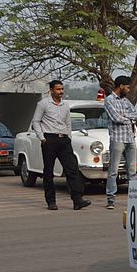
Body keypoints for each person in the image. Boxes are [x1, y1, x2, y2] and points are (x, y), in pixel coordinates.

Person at [31, 80, 90, 210]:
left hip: (64, 140)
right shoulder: (43, 104)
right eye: (58, 89)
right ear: (51, 90)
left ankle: (77, 200)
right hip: (49, 139)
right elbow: (36, 121)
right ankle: (51, 201)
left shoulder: (65, 105)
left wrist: (68, 137)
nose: (61, 92)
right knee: (48, 172)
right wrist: (42, 138)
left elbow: (68, 123)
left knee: (72, 169)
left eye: (62, 89)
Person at [104, 75, 137, 209]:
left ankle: (135, 199)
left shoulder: (126, 101)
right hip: (117, 139)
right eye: (127, 87)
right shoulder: (109, 100)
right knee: (113, 170)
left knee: (132, 170)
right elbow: (116, 118)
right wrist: (129, 118)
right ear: (121, 86)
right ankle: (111, 200)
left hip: (130, 138)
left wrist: (126, 117)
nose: (129, 90)